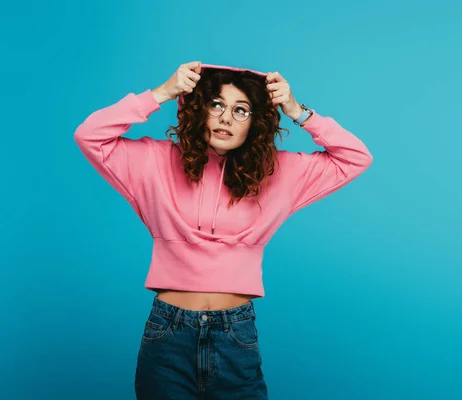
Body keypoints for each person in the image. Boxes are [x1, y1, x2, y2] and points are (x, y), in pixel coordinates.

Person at [73, 61, 373, 399]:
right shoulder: (153, 162)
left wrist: (296, 109)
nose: (226, 117)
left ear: (254, 124)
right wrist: (162, 93)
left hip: (235, 335)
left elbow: (356, 157)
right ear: (199, 110)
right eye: (216, 105)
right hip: (168, 333)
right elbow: (89, 135)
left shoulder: (280, 172)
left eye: (241, 110)